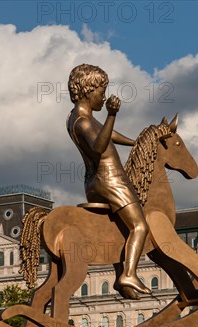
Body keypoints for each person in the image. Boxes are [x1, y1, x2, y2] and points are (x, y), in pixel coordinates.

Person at [67, 64, 151, 297]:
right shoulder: (83, 122)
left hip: (92, 183)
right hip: (111, 180)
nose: (104, 98)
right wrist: (112, 114)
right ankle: (128, 274)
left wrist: (135, 143)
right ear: (87, 89)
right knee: (140, 226)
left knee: (120, 229)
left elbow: (107, 133)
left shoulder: (78, 118)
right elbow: (99, 146)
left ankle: (122, 278)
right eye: (101, 92)